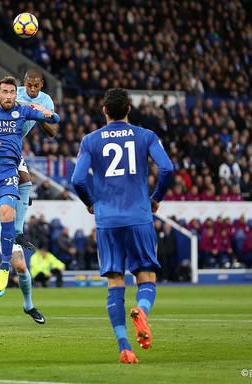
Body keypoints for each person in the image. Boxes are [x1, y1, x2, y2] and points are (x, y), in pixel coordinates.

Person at [71, 88, 173, 364]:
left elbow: (78, 180)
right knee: (146, 275)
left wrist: (91, 203)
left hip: (108, 219)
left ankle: (124, 347)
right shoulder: (146, 136)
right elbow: (167, 169)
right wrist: (156, 199)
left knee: (115, 280)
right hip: (139, 216)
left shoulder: (90, 141)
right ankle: (141, 309)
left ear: (104, 110)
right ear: (129, 109)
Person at [0, 76, 59, 296]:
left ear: (17, 94)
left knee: (7, 215)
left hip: (8, 171)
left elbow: (54, 119)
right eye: (4, 92)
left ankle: (5, 269)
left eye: (11, 92)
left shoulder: (23, 110)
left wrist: (47, 113)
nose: (8, 96)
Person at [14, 69, 58, 249]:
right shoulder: (15, 92)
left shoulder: (46, 101)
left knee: (25, 182)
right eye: (28, 85)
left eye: (35, 85)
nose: (31, 88)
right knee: (21, 181)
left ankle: (18, 232)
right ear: (24, 83)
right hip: (0, 137)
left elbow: (52, 132)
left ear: (41, 84)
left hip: (15, 143)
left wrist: (39, 115)